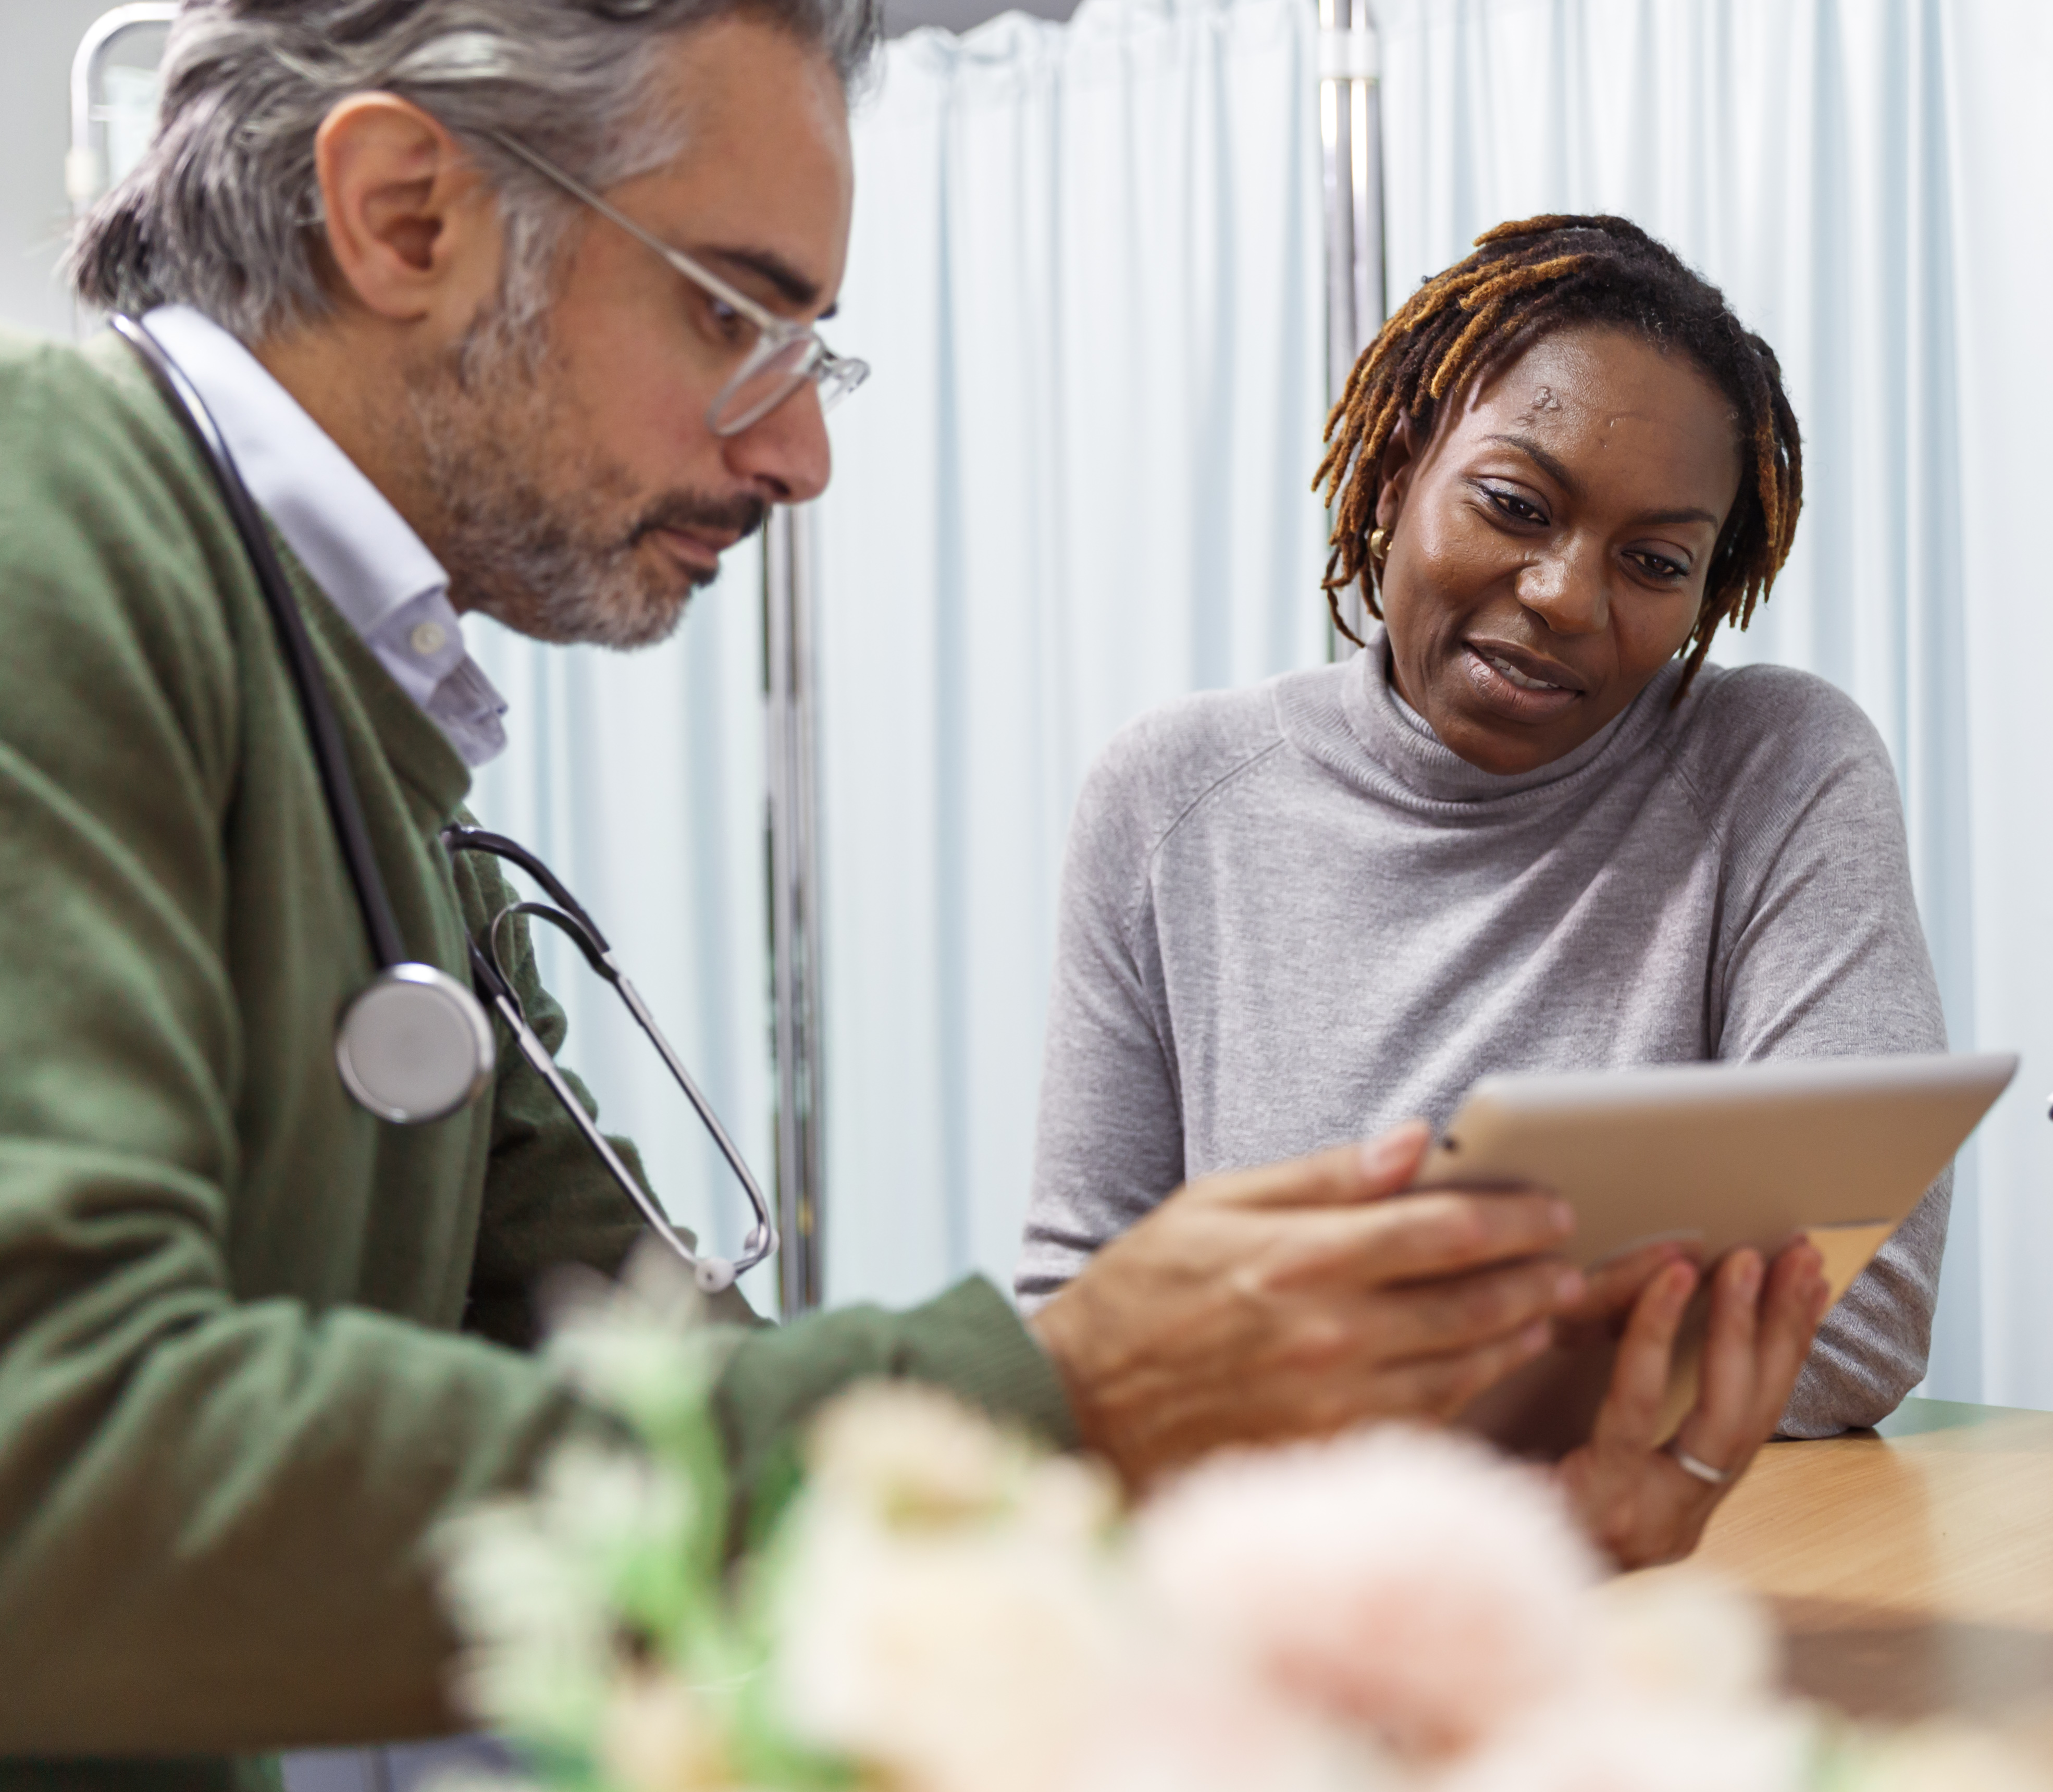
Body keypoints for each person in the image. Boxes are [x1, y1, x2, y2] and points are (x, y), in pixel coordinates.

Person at [0, 3, 1831, 1782]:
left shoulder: (364, 738)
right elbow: (52, 1479)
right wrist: (1073, 1398)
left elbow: (665, 1426)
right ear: (407, 215)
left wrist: (1444, 1552)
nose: (799, 454)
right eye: (735, 313)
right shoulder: (49, 527)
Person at [1020, 216, 1951, 1439]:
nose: (1566, 594)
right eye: (1515, 504)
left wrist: (1294, 1367)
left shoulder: (1776, 771)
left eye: (1656, 562)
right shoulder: (1169, 796)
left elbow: (1850, 1312)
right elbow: (1080, 1333)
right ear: (1400, 465)